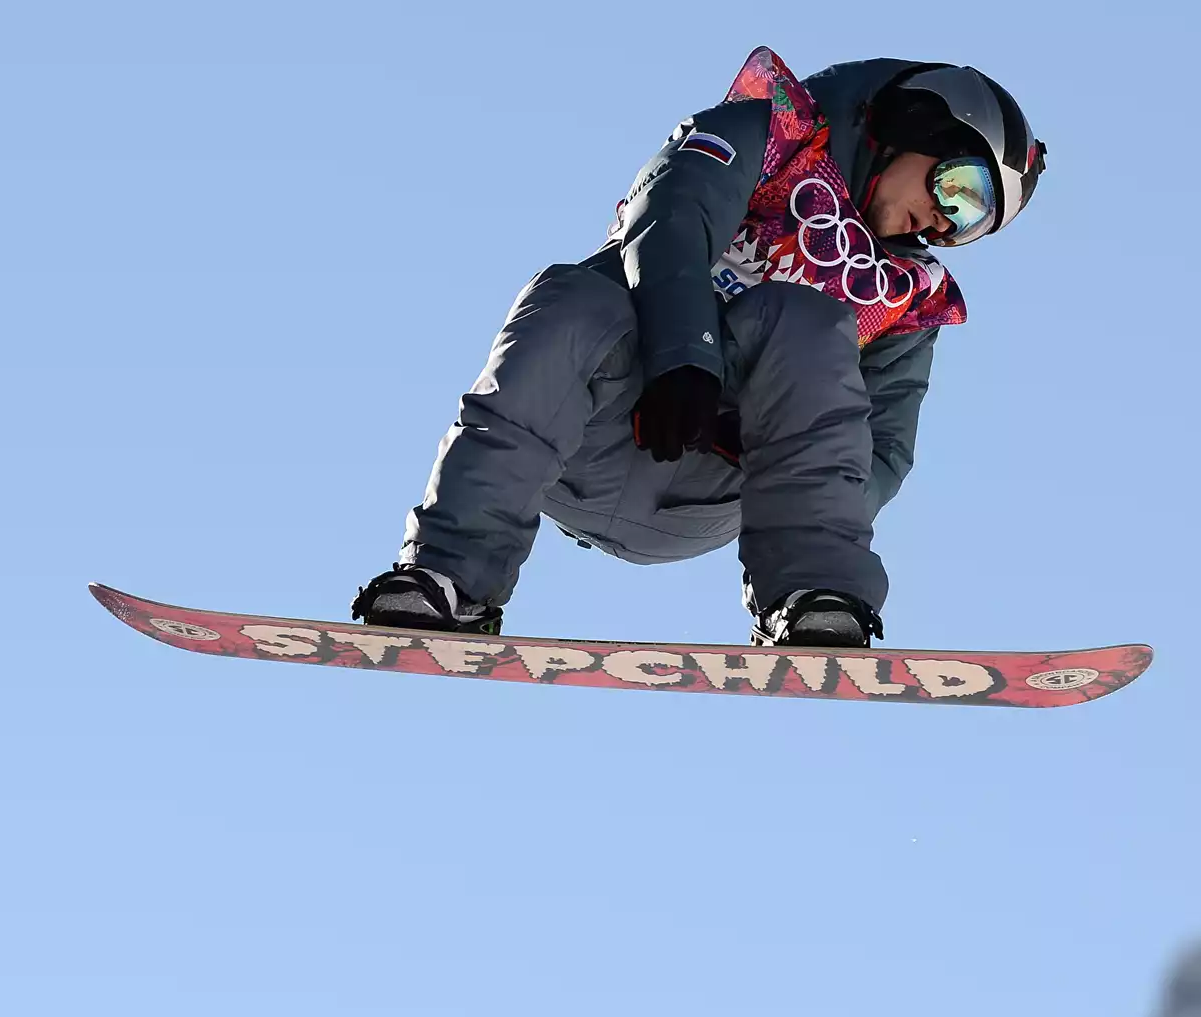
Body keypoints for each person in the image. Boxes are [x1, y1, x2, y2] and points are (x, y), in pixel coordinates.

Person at [349, 46, 1046, 647]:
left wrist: (788, 459)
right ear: (914, 123)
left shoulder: (902, 293)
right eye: (962, 190)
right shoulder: (763, 138)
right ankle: (449, 578)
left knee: (803, 319)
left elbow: (886, 446)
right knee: (573, 296)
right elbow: (673, 215)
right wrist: (683, 355)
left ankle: (813, 593)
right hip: (593, 426)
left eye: (972, 223)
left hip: (716, 486)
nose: (946, 225)